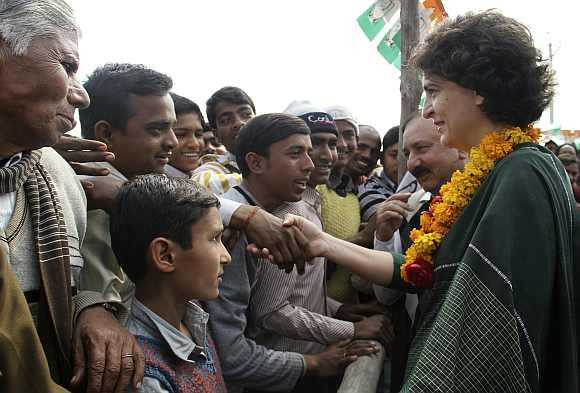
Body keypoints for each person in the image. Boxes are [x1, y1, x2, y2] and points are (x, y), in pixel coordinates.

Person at [282, 11, 579, 392]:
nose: (427, 110)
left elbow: (492, 320)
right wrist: (322, 243)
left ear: (478, 89)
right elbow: (417, 270)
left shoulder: (522, 172)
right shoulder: (498, 171)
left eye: (435, 90)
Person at [0, 1, 144, 392]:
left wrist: (90, 306)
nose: (80, 97)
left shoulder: (58, 177)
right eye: (66, 66)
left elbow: (69, 284)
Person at [205, 113, 381, 393]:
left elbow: (300, 292)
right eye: (296, 153)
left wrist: (339, 311)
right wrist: (319, 358)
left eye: (309, 153)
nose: (310, 164)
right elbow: (242, 347)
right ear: (255, 162)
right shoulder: (239, 231)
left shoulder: (280, 209)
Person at [110, 175, 230, 393]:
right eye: (214, 239)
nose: (226, 256)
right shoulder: (144, 377)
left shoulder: (192, 316)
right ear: (165, 255)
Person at [192, 86, 256, 195]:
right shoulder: (215, 167)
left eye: (246, 115)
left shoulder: (280, 152)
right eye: (226, 120)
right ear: (216, 134)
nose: (238, 123)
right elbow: (199, 186)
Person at [358, 125, 401, 222]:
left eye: (407, 155)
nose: (401, 162)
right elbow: (396, 228)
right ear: (381, 158)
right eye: (394, 155)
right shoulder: (370, 192)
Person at [164, 93, 206, 178]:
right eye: (181, 135)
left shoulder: (207, 178)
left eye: (198, 135)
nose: (195, 144)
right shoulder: (151, 187)